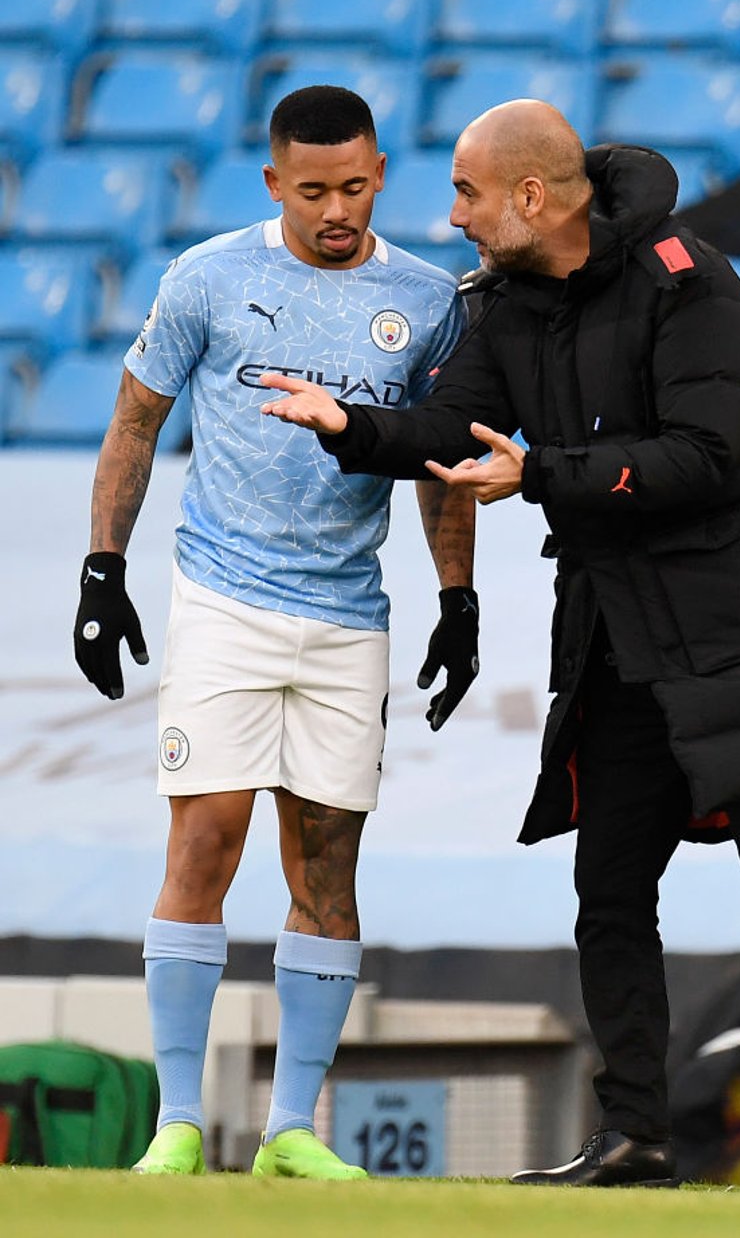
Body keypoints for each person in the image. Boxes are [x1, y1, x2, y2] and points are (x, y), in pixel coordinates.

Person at [258, 99, 740, 1194]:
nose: (449, 216)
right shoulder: (504, 303)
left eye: (465, 192)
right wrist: (352, 425)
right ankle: (634, 1136)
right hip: (618, 626)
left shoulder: (690, 281)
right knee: (609, 886)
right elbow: (458, 431)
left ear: (531, 198)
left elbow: (697, 457)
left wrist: (538, 475)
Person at [72, 85, 479, 1180]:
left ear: (382, 173)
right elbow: (134, 420)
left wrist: (457, 598)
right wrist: (103, 568)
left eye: (353, 186)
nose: (335, 209)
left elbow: (440, 465)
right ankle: (178, 1124)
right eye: (312, 191)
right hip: (224, 598)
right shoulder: (210, 275)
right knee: (204, 840)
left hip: (349, 616)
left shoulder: (429, 300)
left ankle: (292, 1131)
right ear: (272, 185)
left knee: (329, 865)